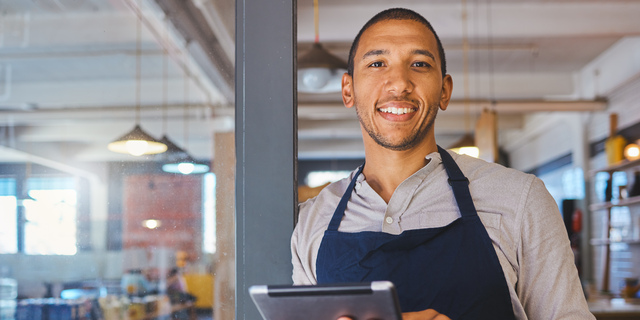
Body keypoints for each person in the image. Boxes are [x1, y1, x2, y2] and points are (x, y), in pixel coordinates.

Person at [291, 7, 595, 320]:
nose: (399, 83)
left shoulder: (521, 199)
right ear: (348, 89)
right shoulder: (311, 221)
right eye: (377, 63)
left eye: (419, 64)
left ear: (445, 91)